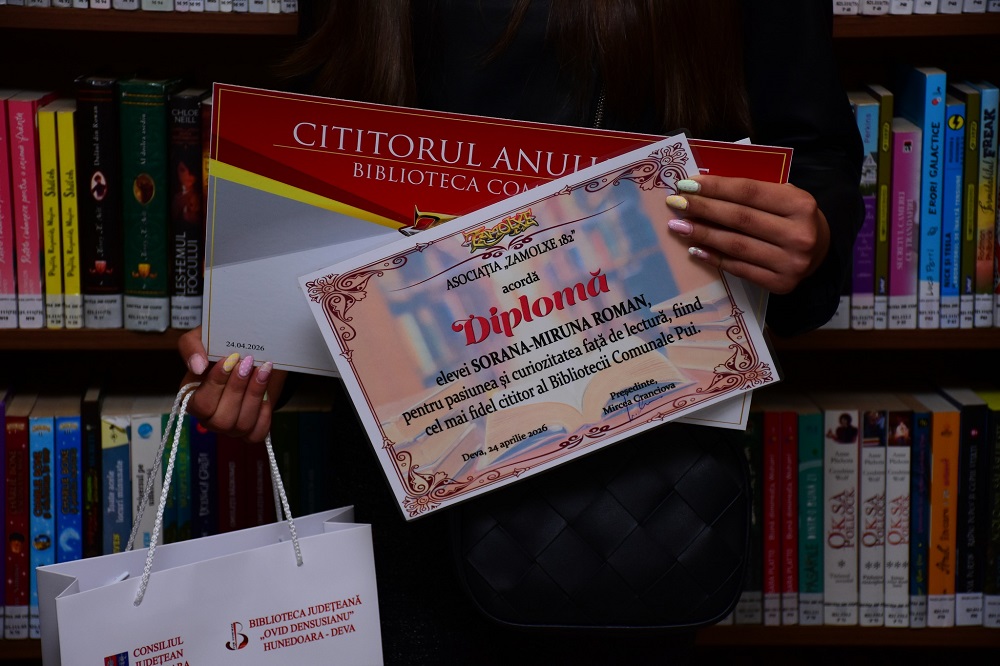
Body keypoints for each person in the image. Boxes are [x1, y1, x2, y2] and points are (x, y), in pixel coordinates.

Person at [178, 2, 863, 662]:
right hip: (410, 467)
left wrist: (809, 237)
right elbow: (315, 137)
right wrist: (259, 340)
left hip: (631, 481)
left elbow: (814, 157)